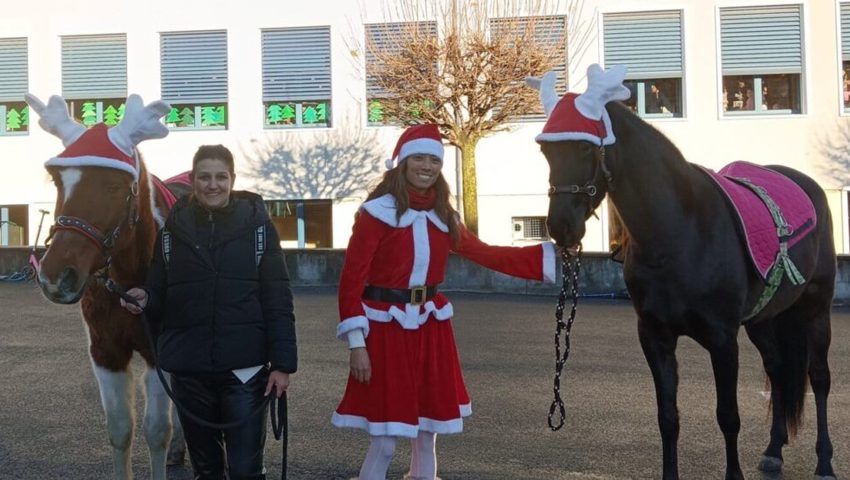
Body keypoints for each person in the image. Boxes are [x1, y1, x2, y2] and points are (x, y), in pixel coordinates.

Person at [332, 124, 555, 480]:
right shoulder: (376, 214)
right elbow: (350, 282)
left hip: (430, 328)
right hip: (385, 332)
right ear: (402, 163)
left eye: (434, 159)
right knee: (387, 439)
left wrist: (552, 258)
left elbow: (485, 253)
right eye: (418, 157)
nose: (427, 166)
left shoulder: (443, 215)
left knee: (427, 434)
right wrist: (357, 344)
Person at [120, 144, 297, 480]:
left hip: (245, 370)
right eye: (204, 177)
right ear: (194, 179)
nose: (212, 184)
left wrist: (284, 365)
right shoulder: (172, 231)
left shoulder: (259, 228)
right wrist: (144, 297)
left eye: (220, 177)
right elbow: (159, 290)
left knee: (245, 470)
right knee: (206, 470)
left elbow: (278, 297)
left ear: (232, 179)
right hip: (191, 370)